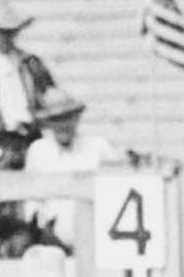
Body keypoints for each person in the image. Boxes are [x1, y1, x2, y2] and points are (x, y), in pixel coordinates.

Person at [24, 88, 121, 247]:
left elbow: (120, 182)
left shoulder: (97, 147)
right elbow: (31, 199)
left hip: (94, 234)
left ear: (76, 119)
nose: (63, 126)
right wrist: (41, 226)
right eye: (56, 120)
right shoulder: (39, 151)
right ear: (48, 123)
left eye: (67, 118)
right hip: (53, 237)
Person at [0, 0, 56, 170]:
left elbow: (50, 95)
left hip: (31, 135)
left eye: (10, 32)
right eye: (1, 32)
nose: (6, 37)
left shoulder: (30, 62)